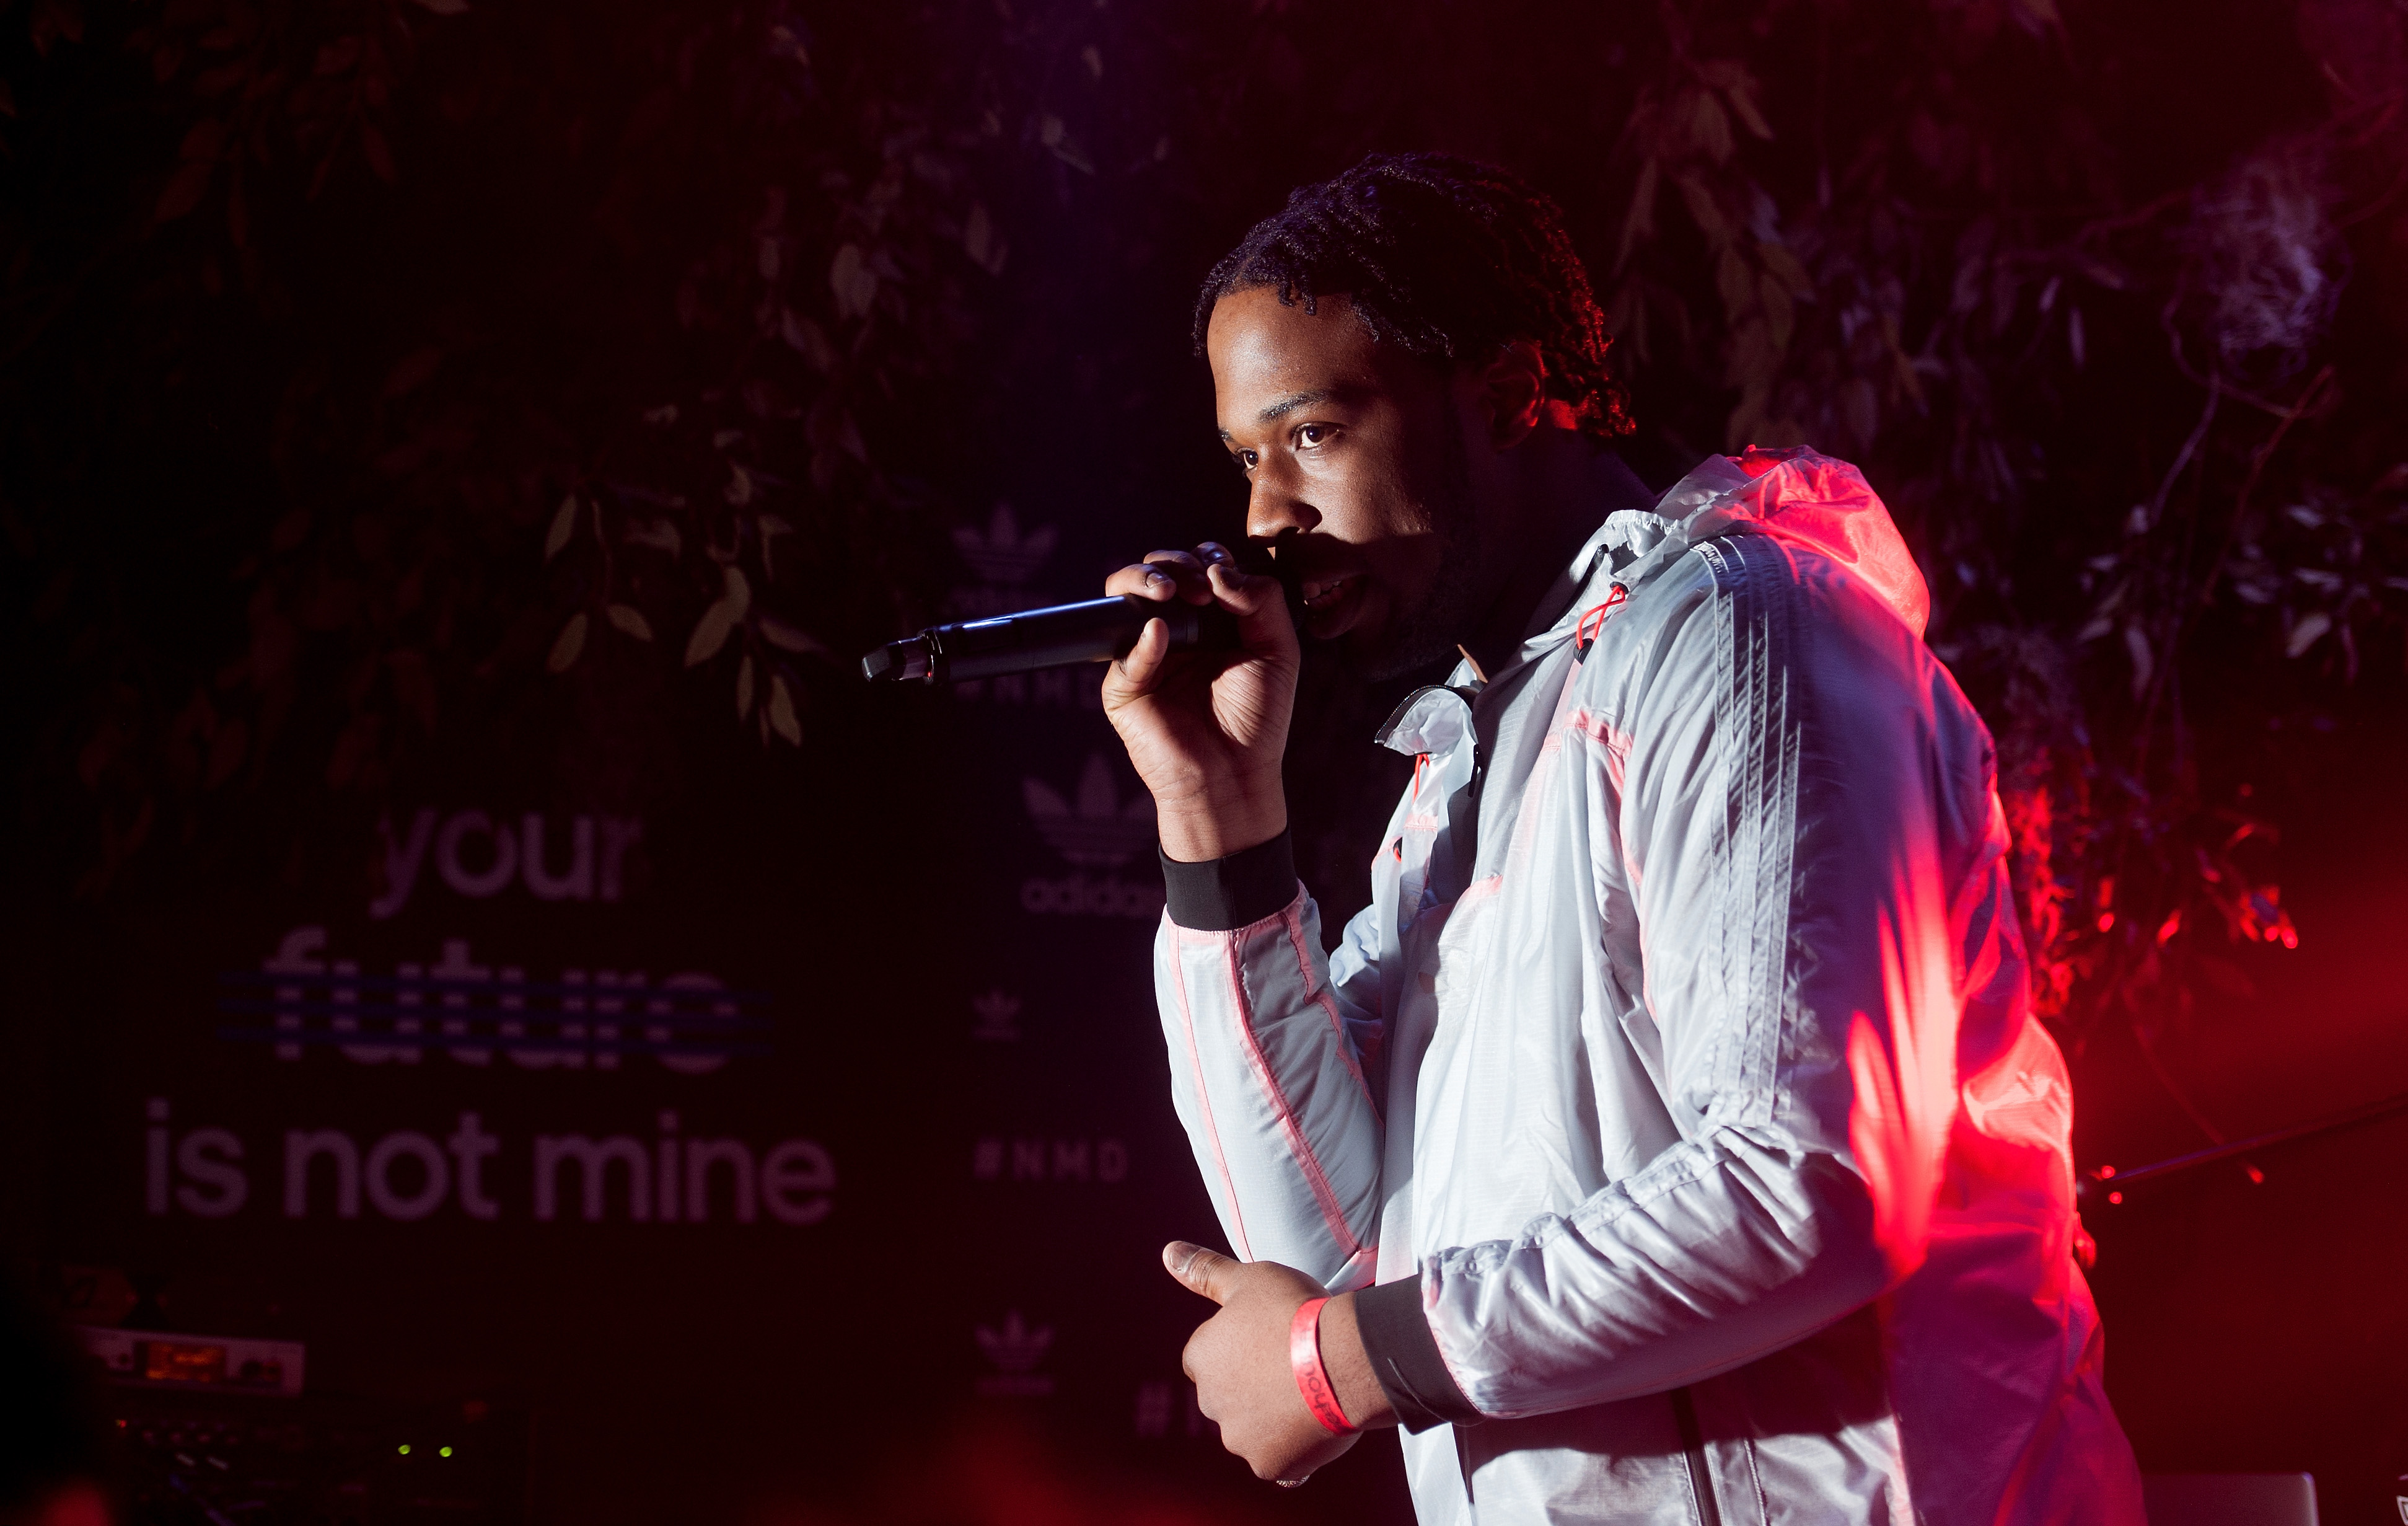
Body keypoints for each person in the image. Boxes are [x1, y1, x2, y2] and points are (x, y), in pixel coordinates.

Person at [1098, 152, 2144, 1525]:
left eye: (1311, 436)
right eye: (1246, 459)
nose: (1265, 525)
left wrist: (1349, 1358)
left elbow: (1810, 1180)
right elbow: (1323, 1248)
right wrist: (1217, 820)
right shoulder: (1472, 770)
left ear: (1511, 388)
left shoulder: (1735, 635)